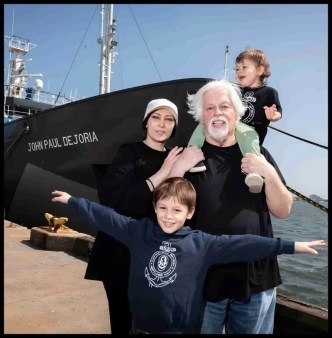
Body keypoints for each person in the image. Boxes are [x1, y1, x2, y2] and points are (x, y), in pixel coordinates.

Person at [51, 177, 326, 334]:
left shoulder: (202, 243)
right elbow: (106, 217)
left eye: (177, 210)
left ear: (190, 213)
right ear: (155, 208)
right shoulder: (138, 232)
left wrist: (290, 246)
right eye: (163, 208)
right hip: (142, 328)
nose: (168, 216)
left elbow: (246, 244)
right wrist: (73, 201)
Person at [168, 79, 294, 334]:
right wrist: (179, 167)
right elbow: (165, 213)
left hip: (256, 279)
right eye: (210, 108)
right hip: (202, 280)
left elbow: (283, 210)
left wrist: (268, 172)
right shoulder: (190, 159)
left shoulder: (260, 155)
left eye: (224, 107)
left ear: (236, 113)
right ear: (201, 116)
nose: (217, 113)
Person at [84, 98, 183, 334]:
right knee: (122, 320)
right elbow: (113, 200)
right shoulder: (129, 152)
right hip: (120, 253)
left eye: (169, 119)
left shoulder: (175, 158)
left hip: (154, 255)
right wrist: (162, 174)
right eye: (156, 118)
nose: (162, 124)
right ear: (146, 123)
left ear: (174, 127)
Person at [187, 48, 282, 194]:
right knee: (202, 125)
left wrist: (272, 116)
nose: (239, 71)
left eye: (244, 67)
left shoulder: (269, 92)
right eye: (237, 69)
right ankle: (192, 153)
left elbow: (278, 113)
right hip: (233, 125)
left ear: (260, 70)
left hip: (252, 130)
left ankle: (254, 172)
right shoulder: (235, 90)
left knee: (249, 136)